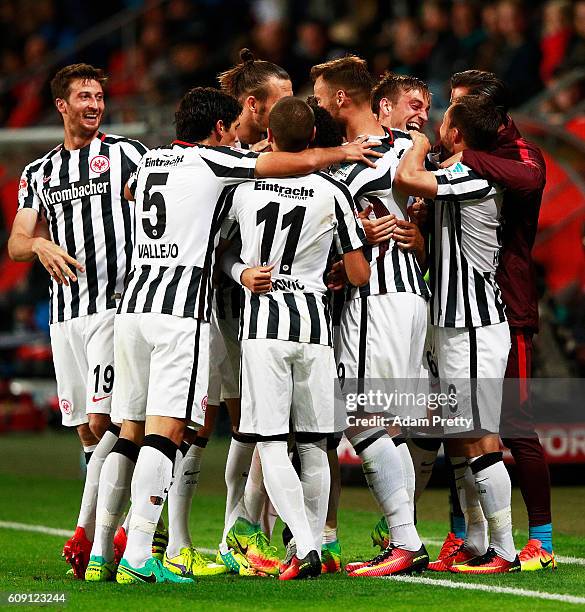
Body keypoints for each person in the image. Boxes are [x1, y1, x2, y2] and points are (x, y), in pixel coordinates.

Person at [100, 86, 380, 585]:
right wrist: (343, 151)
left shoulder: (146, 164)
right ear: (217, 130)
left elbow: (127, 193)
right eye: (230, 128)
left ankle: (106, 550)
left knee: (129, 432)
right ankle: (140, 554)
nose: (236, 136)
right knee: (168, 436)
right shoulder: (216, 164)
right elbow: (287, 165)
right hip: (181, 312)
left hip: (132, 306)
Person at [8, 63, 148, 578]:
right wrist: (40, 241)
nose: (93, 104)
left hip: (117, 305)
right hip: (67, 315)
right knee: (86, 434)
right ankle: (116, 525)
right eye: (83, 97)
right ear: (62, 107)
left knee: (104, 421)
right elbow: (16, 242)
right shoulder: (39, 173)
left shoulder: (128, 155)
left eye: (98, 96)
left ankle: (92, 529)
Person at [222, 96, 370, 580]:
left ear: (272, 138)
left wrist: (243, 272)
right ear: (312, 140)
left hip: (264, 329)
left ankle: (304, 545)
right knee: (311, 446)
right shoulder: (333, 193)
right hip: (314, 330)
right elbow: (357, 272)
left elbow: (217, 252)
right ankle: (316, 543)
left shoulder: (245, 189)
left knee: (270, 442)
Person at [312, 56, 429, 577]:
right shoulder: (405, 150)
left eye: (319, 96)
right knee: (390, 426)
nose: (316, 105)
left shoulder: (370, 159)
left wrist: (360, 240)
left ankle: (405, 539)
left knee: (361, 419)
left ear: (340, 98)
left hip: (377, 299)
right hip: (408, 299)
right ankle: (404, 535)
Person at [394, 94, 520, 574]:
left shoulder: (470, 174)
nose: (436, 124)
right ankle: (477, 540)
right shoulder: (461, 173)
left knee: (479, 435)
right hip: (453, 325)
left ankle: (504, 550)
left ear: (458, 135)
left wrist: (415, 142)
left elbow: (406, 177)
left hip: (473, 326)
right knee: (463, 438)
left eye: (443, 121)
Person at [447, 70, 552, 571]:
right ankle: (466, 534)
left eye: (459, 107)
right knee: (461, 422)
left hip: (508, 303)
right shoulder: (461, 154)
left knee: (512, 422)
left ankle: (543, 541)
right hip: (455, 302)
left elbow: (529, 179)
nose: (452, 120)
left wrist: (465, 157)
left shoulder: (521, 155)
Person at [214, 49, 294, 575]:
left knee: (266, 425)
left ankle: (249, 531)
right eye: (282, 101)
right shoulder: (222, 155)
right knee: (238, 422)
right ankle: (231, 529)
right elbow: (207, 240)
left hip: (277, 311)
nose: (293, 110)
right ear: (253, 104)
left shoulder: (282, 152)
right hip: (225, 307)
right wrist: (239, 271)